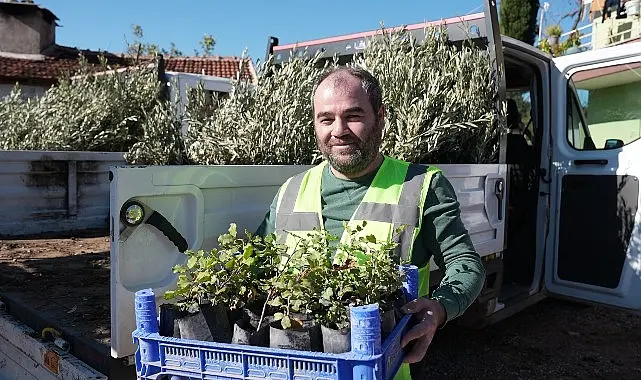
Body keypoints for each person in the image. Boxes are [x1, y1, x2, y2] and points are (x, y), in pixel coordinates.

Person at [256, 66, 485, 378]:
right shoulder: (289, 191)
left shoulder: (421, 185)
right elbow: (256, 267)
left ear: (381, 116)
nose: (338, 130)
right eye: (326, 119)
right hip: (294, 369)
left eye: (353, 115)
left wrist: (440, 308)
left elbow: (464, 262)